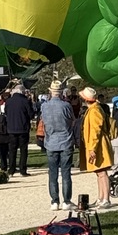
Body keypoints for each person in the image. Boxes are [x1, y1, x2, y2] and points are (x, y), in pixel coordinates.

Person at [42, 80, 75, 210]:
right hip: (65, 140)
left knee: (53, 173)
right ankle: (66, 201)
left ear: (50, 91)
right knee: (66, 173)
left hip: (51, 141)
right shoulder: (66, 106)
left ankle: (54, 201)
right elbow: (72, 121)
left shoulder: (44, 106)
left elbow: (44, 122)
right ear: (61, 92)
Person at [79, 86, 114, 207]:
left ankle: (106, 198)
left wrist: (92, 148)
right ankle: (101, 197)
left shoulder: (94, 110)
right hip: (96, 144)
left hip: (99, 145)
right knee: (99, 172)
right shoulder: (94, 109)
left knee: (102, 172)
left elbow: (95, 131)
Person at [6, 84, 33, 178]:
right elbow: (31, 115)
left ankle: (11, 170)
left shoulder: (8, 101)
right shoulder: (25, 101)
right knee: (23, 150)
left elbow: (6, 113)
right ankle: (22, 170)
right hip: (23, 128)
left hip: (11, 128)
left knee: (12, 150)